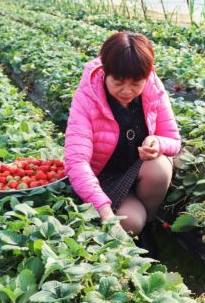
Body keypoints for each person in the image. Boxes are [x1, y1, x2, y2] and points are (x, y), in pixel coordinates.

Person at [65, 32, 181, 257]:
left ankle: (149, 225)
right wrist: (105, 212)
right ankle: (141, 226)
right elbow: (76, 162)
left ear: (146, 76)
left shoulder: (153, 88)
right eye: (118, 83)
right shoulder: (87, 98)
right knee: (130, 223)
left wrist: (157, 143)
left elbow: (174, 141)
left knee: (159, 167)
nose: (127, 91)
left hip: (138, 169)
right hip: (104, 178)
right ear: (106, 74)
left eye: (136, 84)